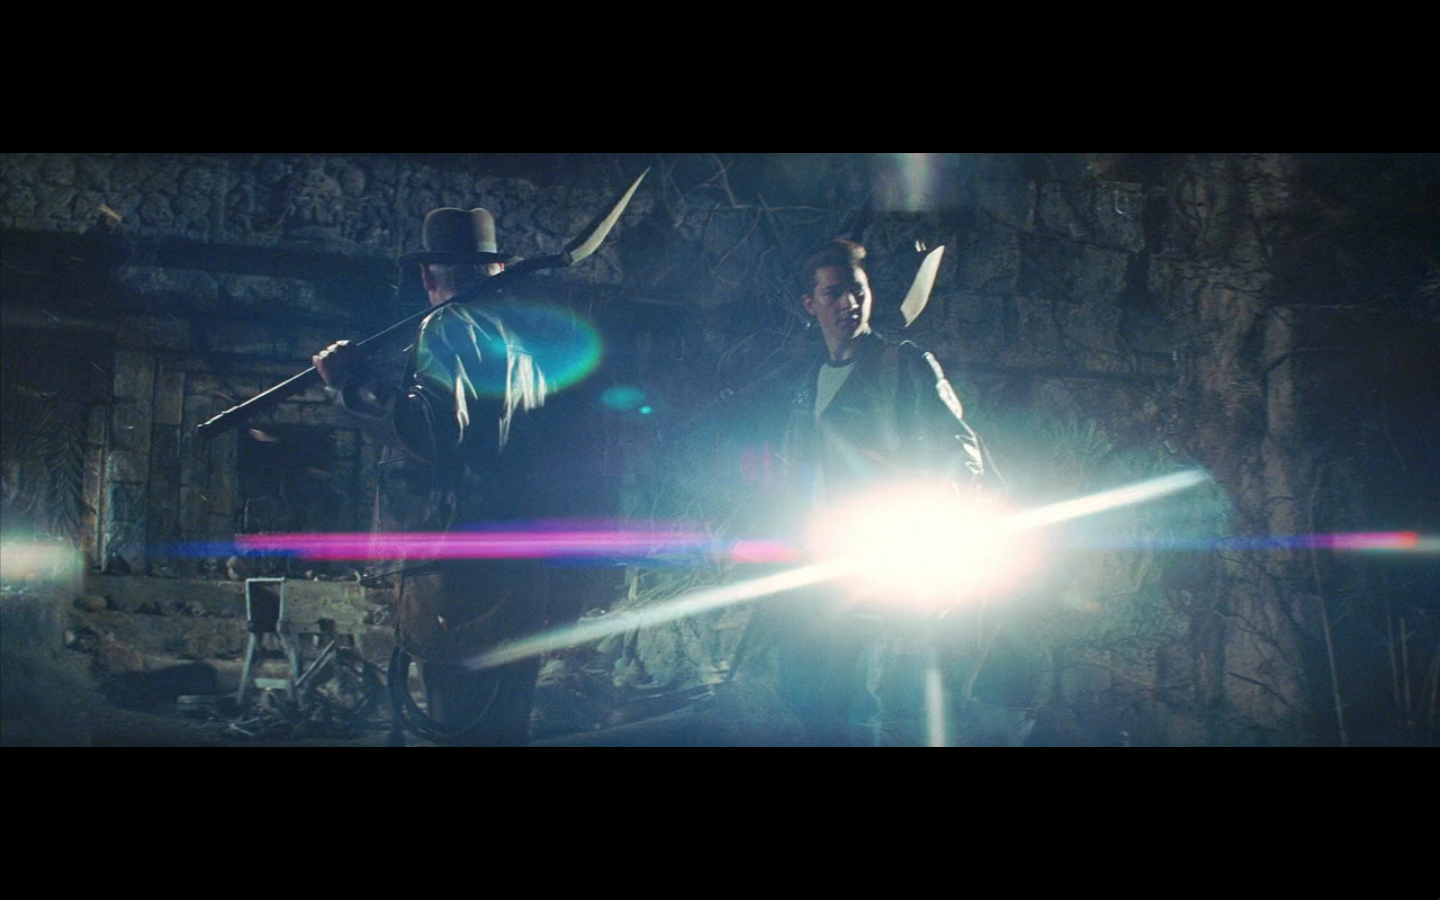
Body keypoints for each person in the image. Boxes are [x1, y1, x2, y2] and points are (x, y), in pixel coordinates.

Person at [312, 207, 550, 746]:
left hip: (456, 568)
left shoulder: (449, 325)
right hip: (517, 563)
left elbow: (429, 431)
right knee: (505, 723)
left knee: (458, 722)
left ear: (426, 275)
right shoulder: (524, 345)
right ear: (497, 269)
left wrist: (349, 383)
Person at [768, 237, 1004, 746]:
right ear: (810, 305)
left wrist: (932, 527)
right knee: (813, 695)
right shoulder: (805, 382)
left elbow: (962, 452)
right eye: (833, 293)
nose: (849, 303)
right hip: (820, 566)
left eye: (857, 290)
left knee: (882, 701)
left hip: (888, 565)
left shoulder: (905, 364)